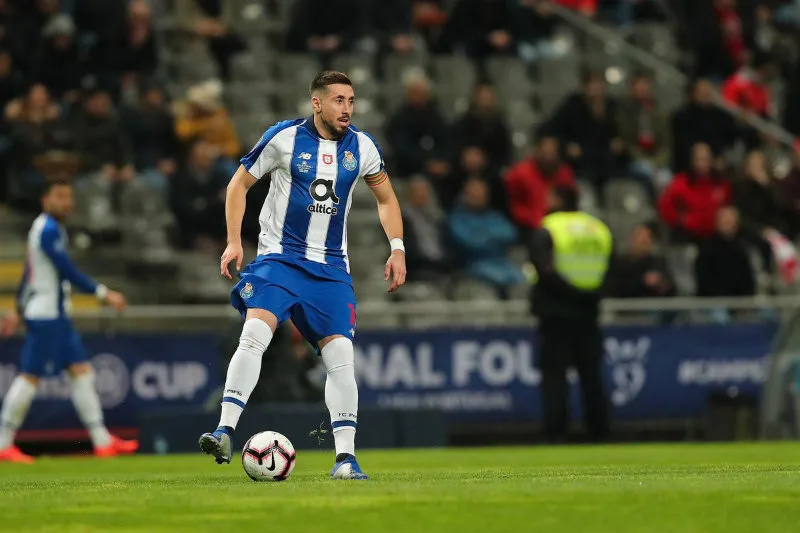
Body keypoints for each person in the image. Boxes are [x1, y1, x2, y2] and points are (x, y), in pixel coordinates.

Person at [198, 71, 406, 481]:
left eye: (351, 100)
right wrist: (234, 241)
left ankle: (345, 460)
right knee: (254, 334)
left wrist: (397, 247)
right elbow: (238, 185)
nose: (347, 108)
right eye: (338, 100)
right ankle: (223, 431)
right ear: (317, 103)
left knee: (341, 360)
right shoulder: (284, 137)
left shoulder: (362, 147)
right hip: (281, 259)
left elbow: (386, 198)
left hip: (330, 270)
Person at [0, 180, 135, 463]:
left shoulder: (47, 228)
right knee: (30, 376)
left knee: (81, 371)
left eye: (68, 197)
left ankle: (101, 441)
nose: (65, 202)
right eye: (59, 196)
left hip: (54, 316)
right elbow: (67, 271)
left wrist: (18, 310)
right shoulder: (48, 230)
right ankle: (3, 442)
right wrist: (104, 293)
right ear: (45, 200)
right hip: (47, 317)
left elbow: (29, 274)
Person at [528, 187, 613, 443]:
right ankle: (600, 433)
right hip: (589, 311)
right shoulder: (598, 229)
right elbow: (611, 267)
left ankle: (556, 434)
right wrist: (589, 293)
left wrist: (571, 292)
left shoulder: (550, 227)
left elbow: (543, 269)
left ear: (558, 200)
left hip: (556, 313)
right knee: (592, 377)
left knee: (555, 378)